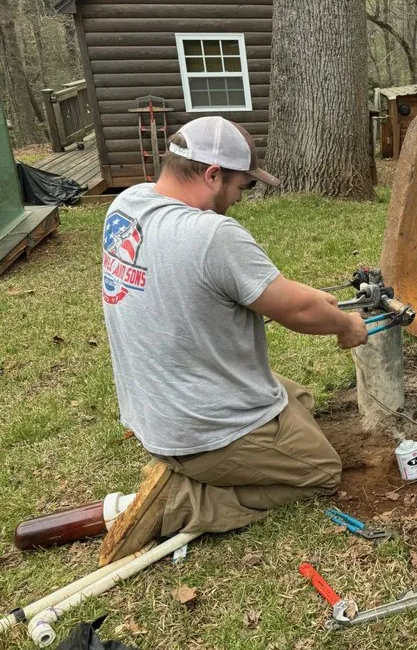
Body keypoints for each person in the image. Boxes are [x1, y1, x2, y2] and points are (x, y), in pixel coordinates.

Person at [98, 116, 369, 566]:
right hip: (197, 433)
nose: (240, 199)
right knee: (321, 470)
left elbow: (243, 285)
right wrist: (345, 325)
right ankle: (184, 501)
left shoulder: (127, 206)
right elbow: (297, 312)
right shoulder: (212, 235)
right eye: (241, 187)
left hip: (156, 407)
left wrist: (310, 296)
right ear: (212, 175)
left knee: (297, 398)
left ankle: (206, 464)